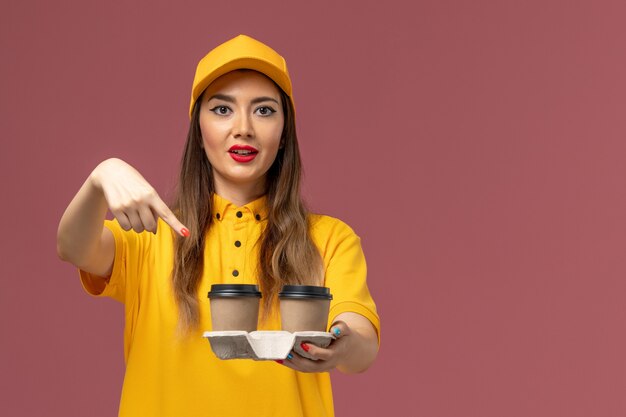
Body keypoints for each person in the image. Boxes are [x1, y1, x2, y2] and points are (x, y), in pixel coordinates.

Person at [57, 34, 380, 417]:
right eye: (222, 110)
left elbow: (361, 343)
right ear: (198, 129)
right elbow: (73, 247)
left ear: (284, 133)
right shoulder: (153, 235)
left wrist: (339, 343)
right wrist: (101, 176)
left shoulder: (329, 239)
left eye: (263, 110)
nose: (243, 128)